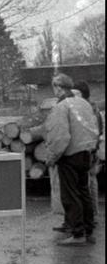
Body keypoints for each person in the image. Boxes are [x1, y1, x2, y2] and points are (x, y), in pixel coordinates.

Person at [43, 74, 99, 246]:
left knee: (70, 195)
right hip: (86, 153)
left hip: (69, 155)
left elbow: (60, 137)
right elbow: (93, 128)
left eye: (54, 87)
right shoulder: (84, 104)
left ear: (59, 87)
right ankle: (88, 230)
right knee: (84, 193)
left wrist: (52, 157)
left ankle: (77, 233)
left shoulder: (61, 106)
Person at [73, 81, 103, 222]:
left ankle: (90, 215)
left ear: (82, 94)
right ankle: (92, 213)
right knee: (90, 181)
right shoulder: (92, 107)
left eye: (76, 93)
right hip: (91, 148)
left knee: (88, 182)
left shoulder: (89, 109)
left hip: (88, 150)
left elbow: (92, 131)